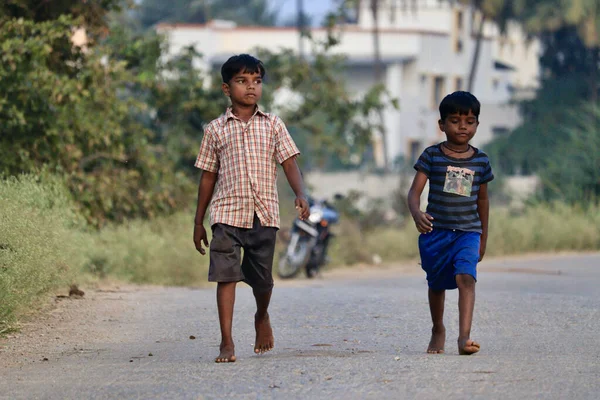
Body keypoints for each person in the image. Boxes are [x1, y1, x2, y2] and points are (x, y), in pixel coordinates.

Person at [193, 54, 310, 363]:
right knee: (225, 275)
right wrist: (198, 221)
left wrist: (300, 193)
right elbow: (207, 177)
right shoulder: (215, 130)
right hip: (225, 214)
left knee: (262, 280)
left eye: (256, 81)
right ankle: (227, 341)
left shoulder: (273, 124)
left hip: (264, 214)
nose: (250, 88)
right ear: (226, 88)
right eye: (242, 81)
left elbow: (289, 163)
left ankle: (261, 315)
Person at [407, 91, 494, 355]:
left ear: (477, 125)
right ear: (442, 125)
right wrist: (417, 213)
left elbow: (483, 202)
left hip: (468, 233)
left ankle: (464, 337)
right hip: (436, 233)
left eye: (469, 121)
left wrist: (483, 238)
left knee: (466, 277)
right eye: (455, 120)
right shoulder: (432, 156)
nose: (463, 126)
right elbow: (414, 192)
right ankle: (438, 328)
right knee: (436, 284)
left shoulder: (481, 161)